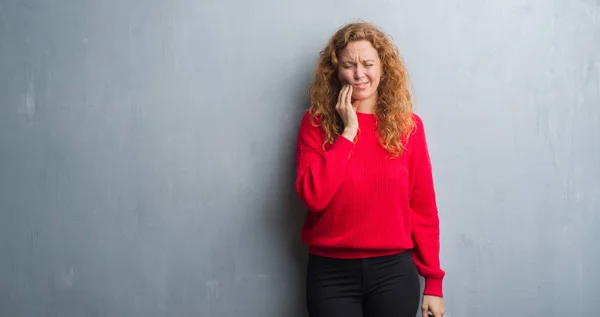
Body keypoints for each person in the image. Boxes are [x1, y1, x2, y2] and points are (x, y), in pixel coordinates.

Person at [294, 22, 446, 317]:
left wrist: (433, 283)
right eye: (349, 65)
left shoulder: (408, 128)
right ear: (336, 72)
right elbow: (314, 197)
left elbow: (423, 210)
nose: (359, 73)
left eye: (368, 63)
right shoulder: (315, 124)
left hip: (394, 273)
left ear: (383, 67)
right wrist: (348, 133)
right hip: (330, 274)